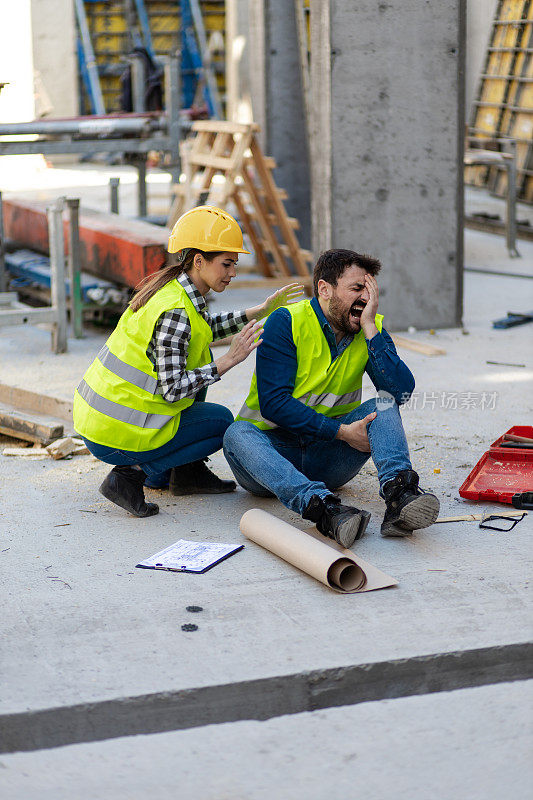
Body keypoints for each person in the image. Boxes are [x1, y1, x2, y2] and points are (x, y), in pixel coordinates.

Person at [73, 205, 303, 518]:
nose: (233, 272)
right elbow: (173, 389)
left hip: (101, 421)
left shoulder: (171, 290)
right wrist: (229, 360)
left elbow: (204, 327)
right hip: (116, 432)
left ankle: (183, 473)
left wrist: (258, 311)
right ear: (199, 261)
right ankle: (129, 476)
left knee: (200, 358)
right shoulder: (176, 312)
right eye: (227, 264)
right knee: (221, 422)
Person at [223, 248, 440, 547]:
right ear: (324, 289)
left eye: (369, 290)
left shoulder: (369, 328)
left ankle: (399, 495)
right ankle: (325, 509)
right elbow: (273, 404)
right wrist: (342, 432)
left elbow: (400, 392)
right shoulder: (286, 321)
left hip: (329, 457)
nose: (365, 299)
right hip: (269, 458)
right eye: (356, 288)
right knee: (236, 433)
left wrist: (370, 330)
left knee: (384, 404)